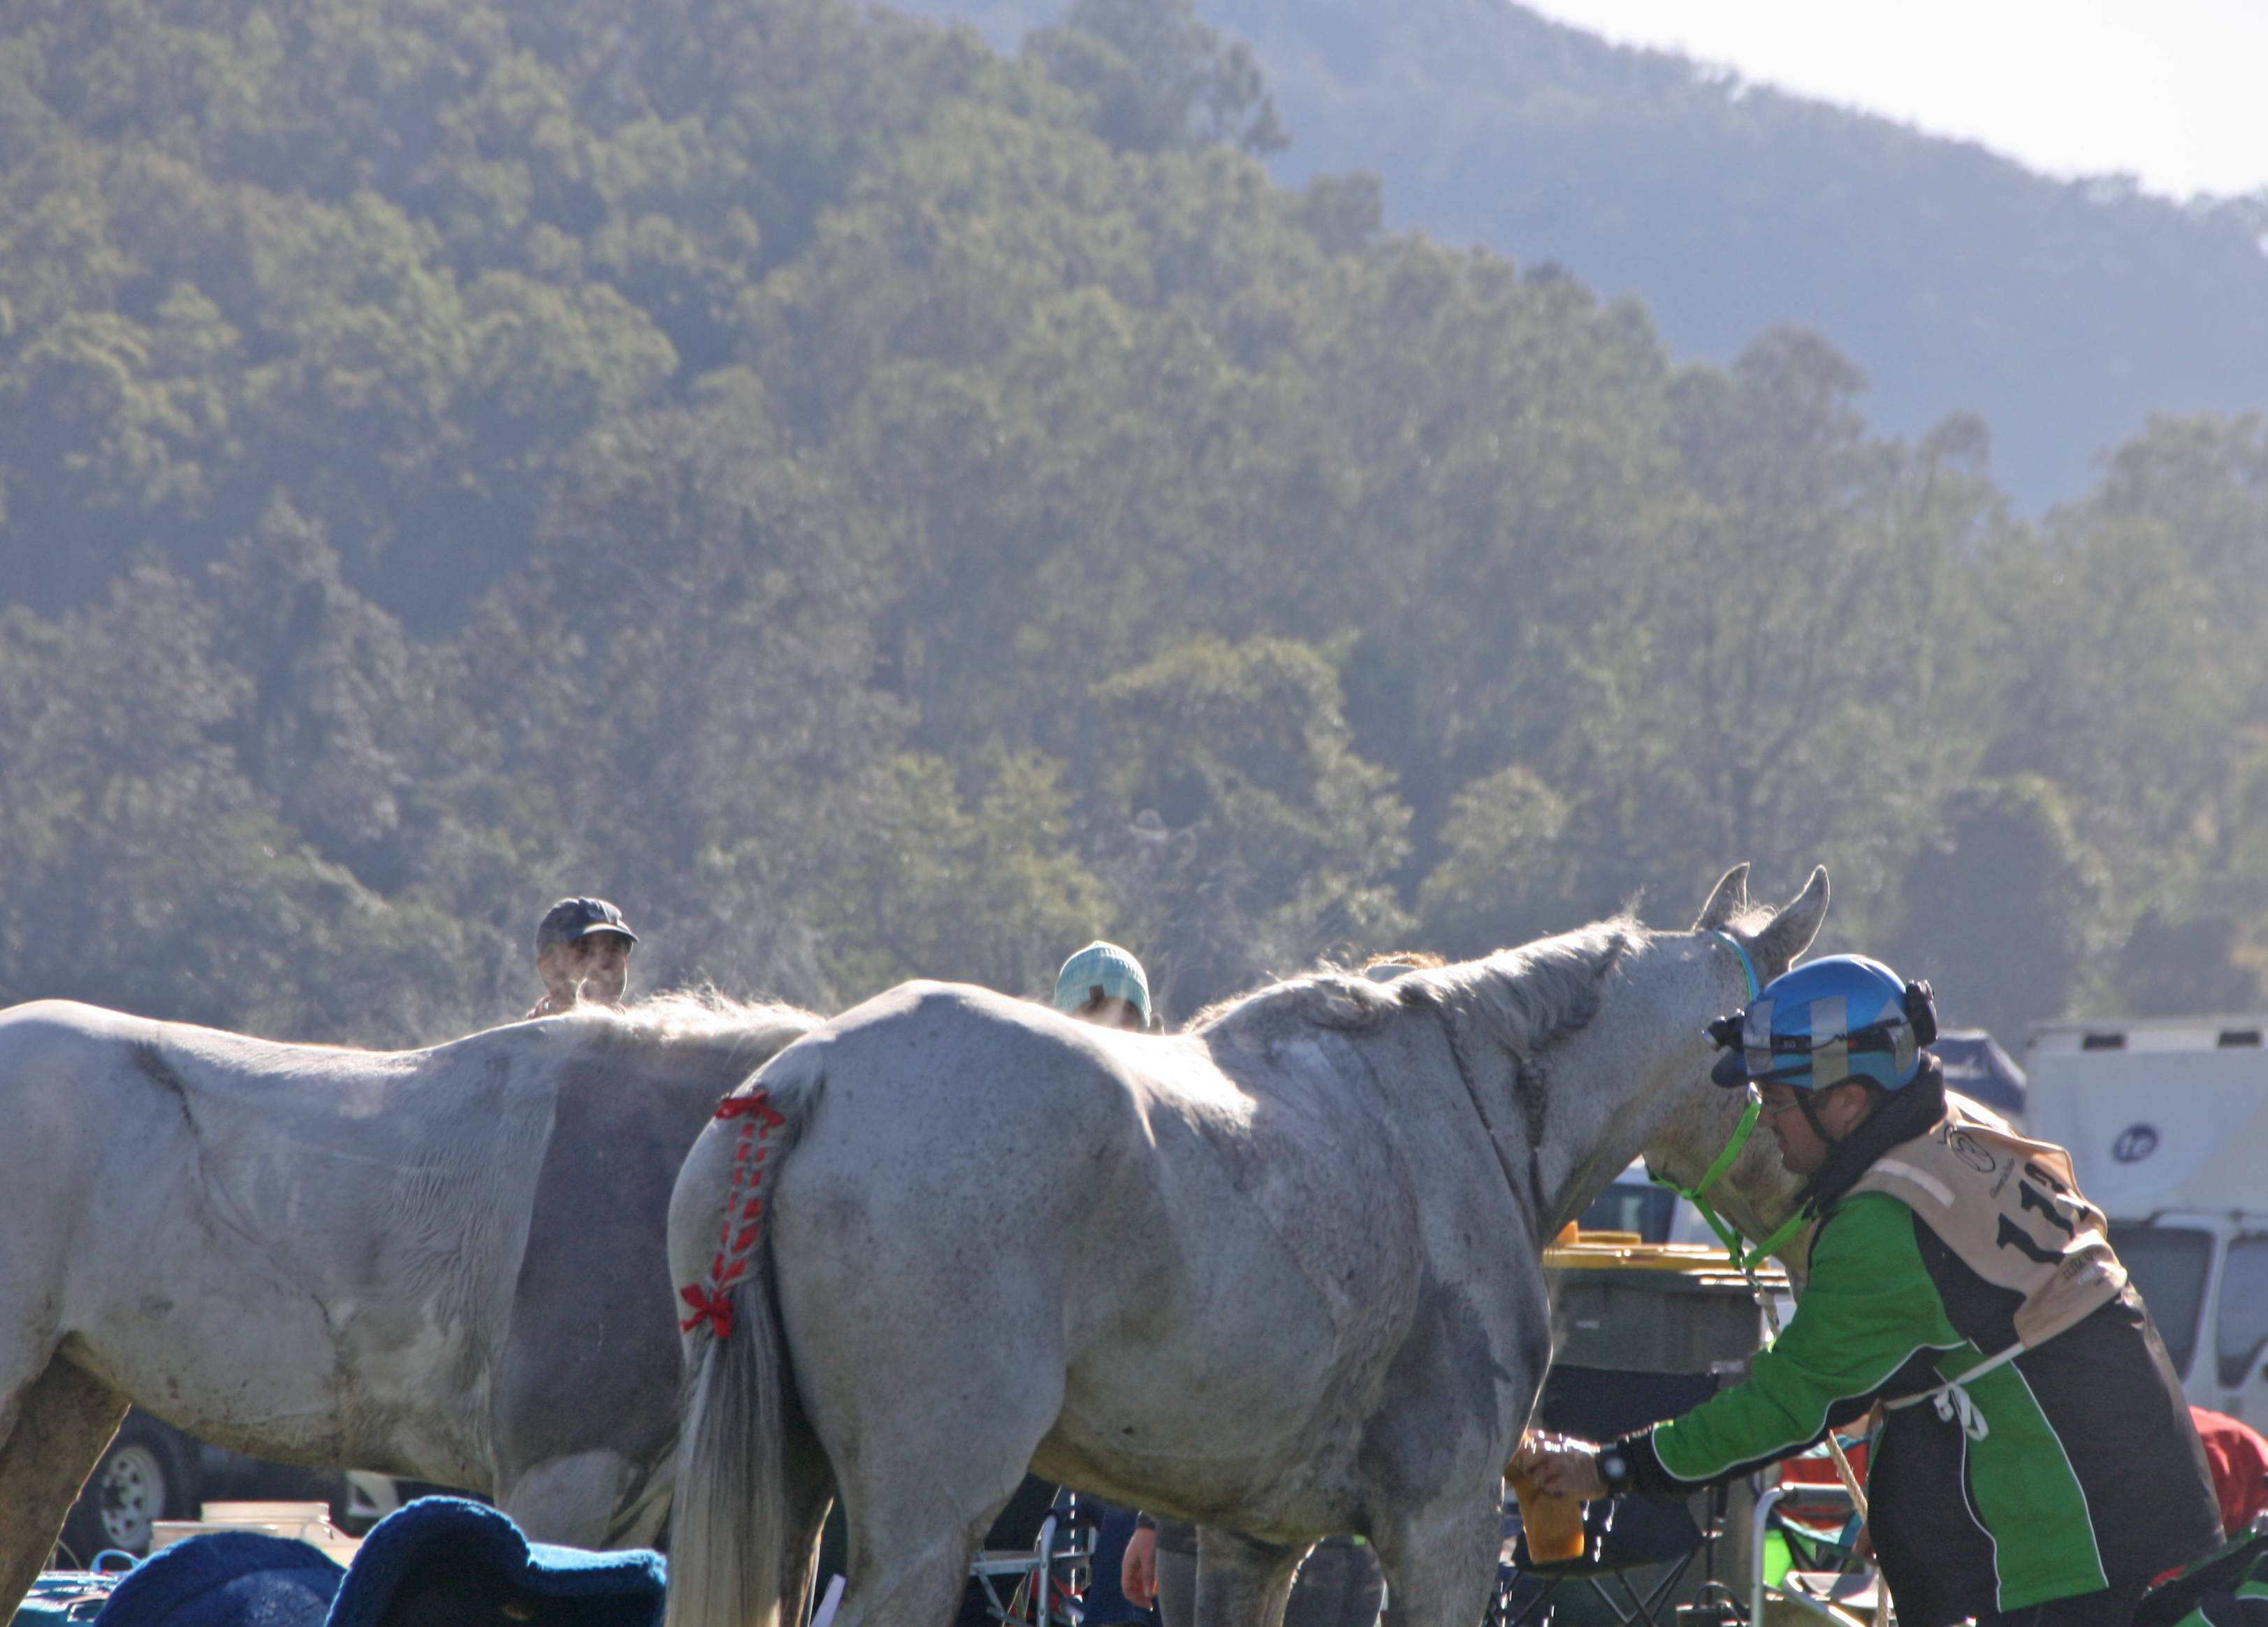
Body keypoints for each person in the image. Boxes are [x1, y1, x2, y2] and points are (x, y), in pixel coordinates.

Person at [1515, 954, 2223, 1627]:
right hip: (2155, 1512)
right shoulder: (1966, 1134)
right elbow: (1960, 1352)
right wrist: (1912, 1499)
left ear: (1848, 1101)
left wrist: (1609, 1468)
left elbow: (1783, 1407)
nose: (1764, 1120)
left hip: (2072, 1553)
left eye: (1777, 1099)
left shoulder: (1884, 1222)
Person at [524, 897, 638, 1019]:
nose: (600, 962)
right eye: (583, 949)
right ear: (547, 966)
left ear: (626, 963)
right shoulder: (530, 1031)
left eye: (613, 950)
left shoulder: (642, 1029)